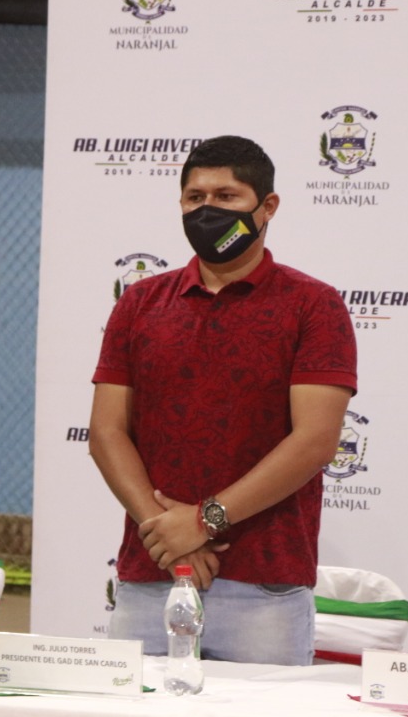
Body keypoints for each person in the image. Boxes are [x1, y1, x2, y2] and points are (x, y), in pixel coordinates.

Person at [89, 135, 356, 665]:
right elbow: (106, 433)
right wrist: (168, 534)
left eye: (226, 197)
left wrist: (203, 520)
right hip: (151, 577)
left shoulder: (313, 305)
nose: (207, 210)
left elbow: (314, 441)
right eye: (195, 198)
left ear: (267, 206)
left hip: (265, 587)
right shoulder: (140, 303)